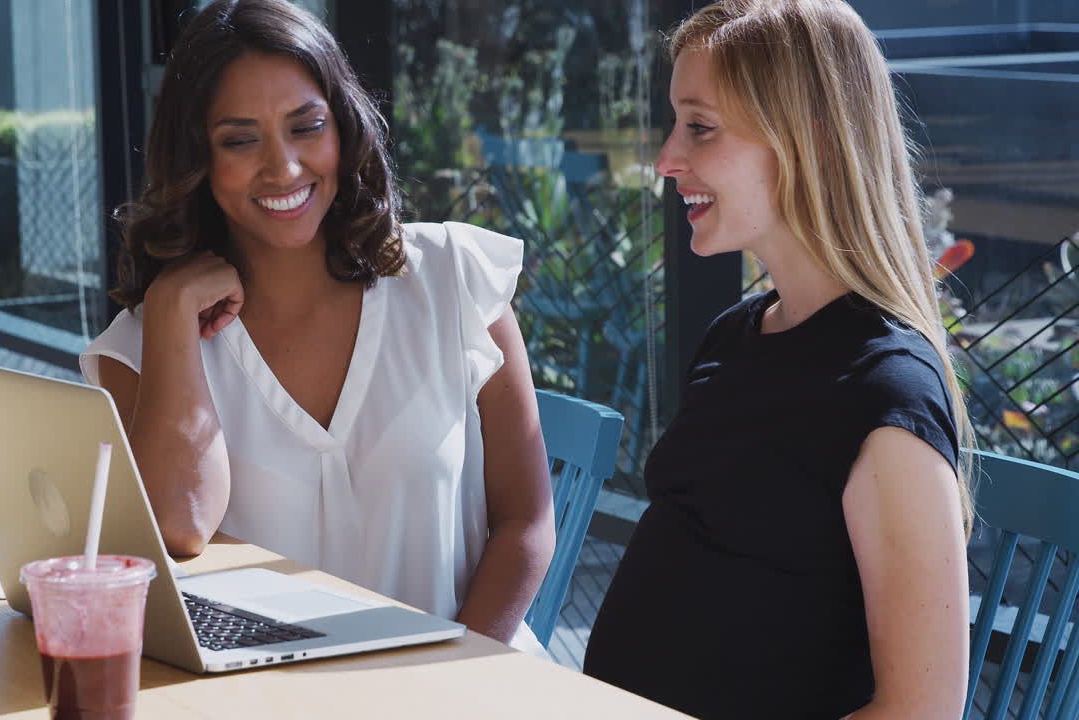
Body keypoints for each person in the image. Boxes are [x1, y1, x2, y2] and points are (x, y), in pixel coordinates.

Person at [79, 0, 554, 655]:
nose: (284, 168)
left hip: (472, 678)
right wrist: (167, 314)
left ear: (344, 127)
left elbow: (526, 523)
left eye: (307, 126)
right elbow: (176, 528)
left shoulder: (455, 279)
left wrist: (455, 678)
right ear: (196, 156)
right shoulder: (140, 347)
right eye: (240, 139)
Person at [583, 0, 973, 717]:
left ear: (811, 141)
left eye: (699, 128)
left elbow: (921, 711)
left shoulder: (885, 395)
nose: (667, 158)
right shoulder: (737, 335)